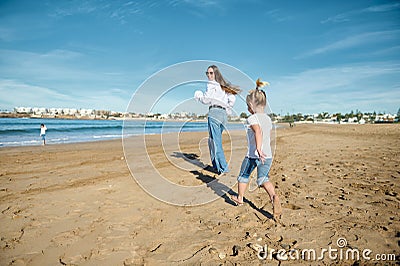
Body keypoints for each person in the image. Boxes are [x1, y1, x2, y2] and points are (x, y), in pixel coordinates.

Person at [231, 78, 282, 219]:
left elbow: (258, 131)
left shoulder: (252, 119)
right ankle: (273, 196)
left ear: (252, 105)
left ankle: (240, 198)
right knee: (263, 178)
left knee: (243, 175)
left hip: (254, 155)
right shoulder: (268, 119)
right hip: (268, 155)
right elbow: (266, 134)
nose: (247, 108)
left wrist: (258, 149)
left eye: (248, 105)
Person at [194, 65, 240, 175]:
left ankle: (223, 168)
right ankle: (216, 166)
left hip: (214, 113)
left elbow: (206, 99)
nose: (209, 75)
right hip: (223, 115)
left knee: (215, 142)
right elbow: (232, 99)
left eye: (211, 73)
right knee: (213, 141)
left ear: (216, 74)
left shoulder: (211, 84)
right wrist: (226, 107)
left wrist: (198, 95)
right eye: (207, 73)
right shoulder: (223, 85)